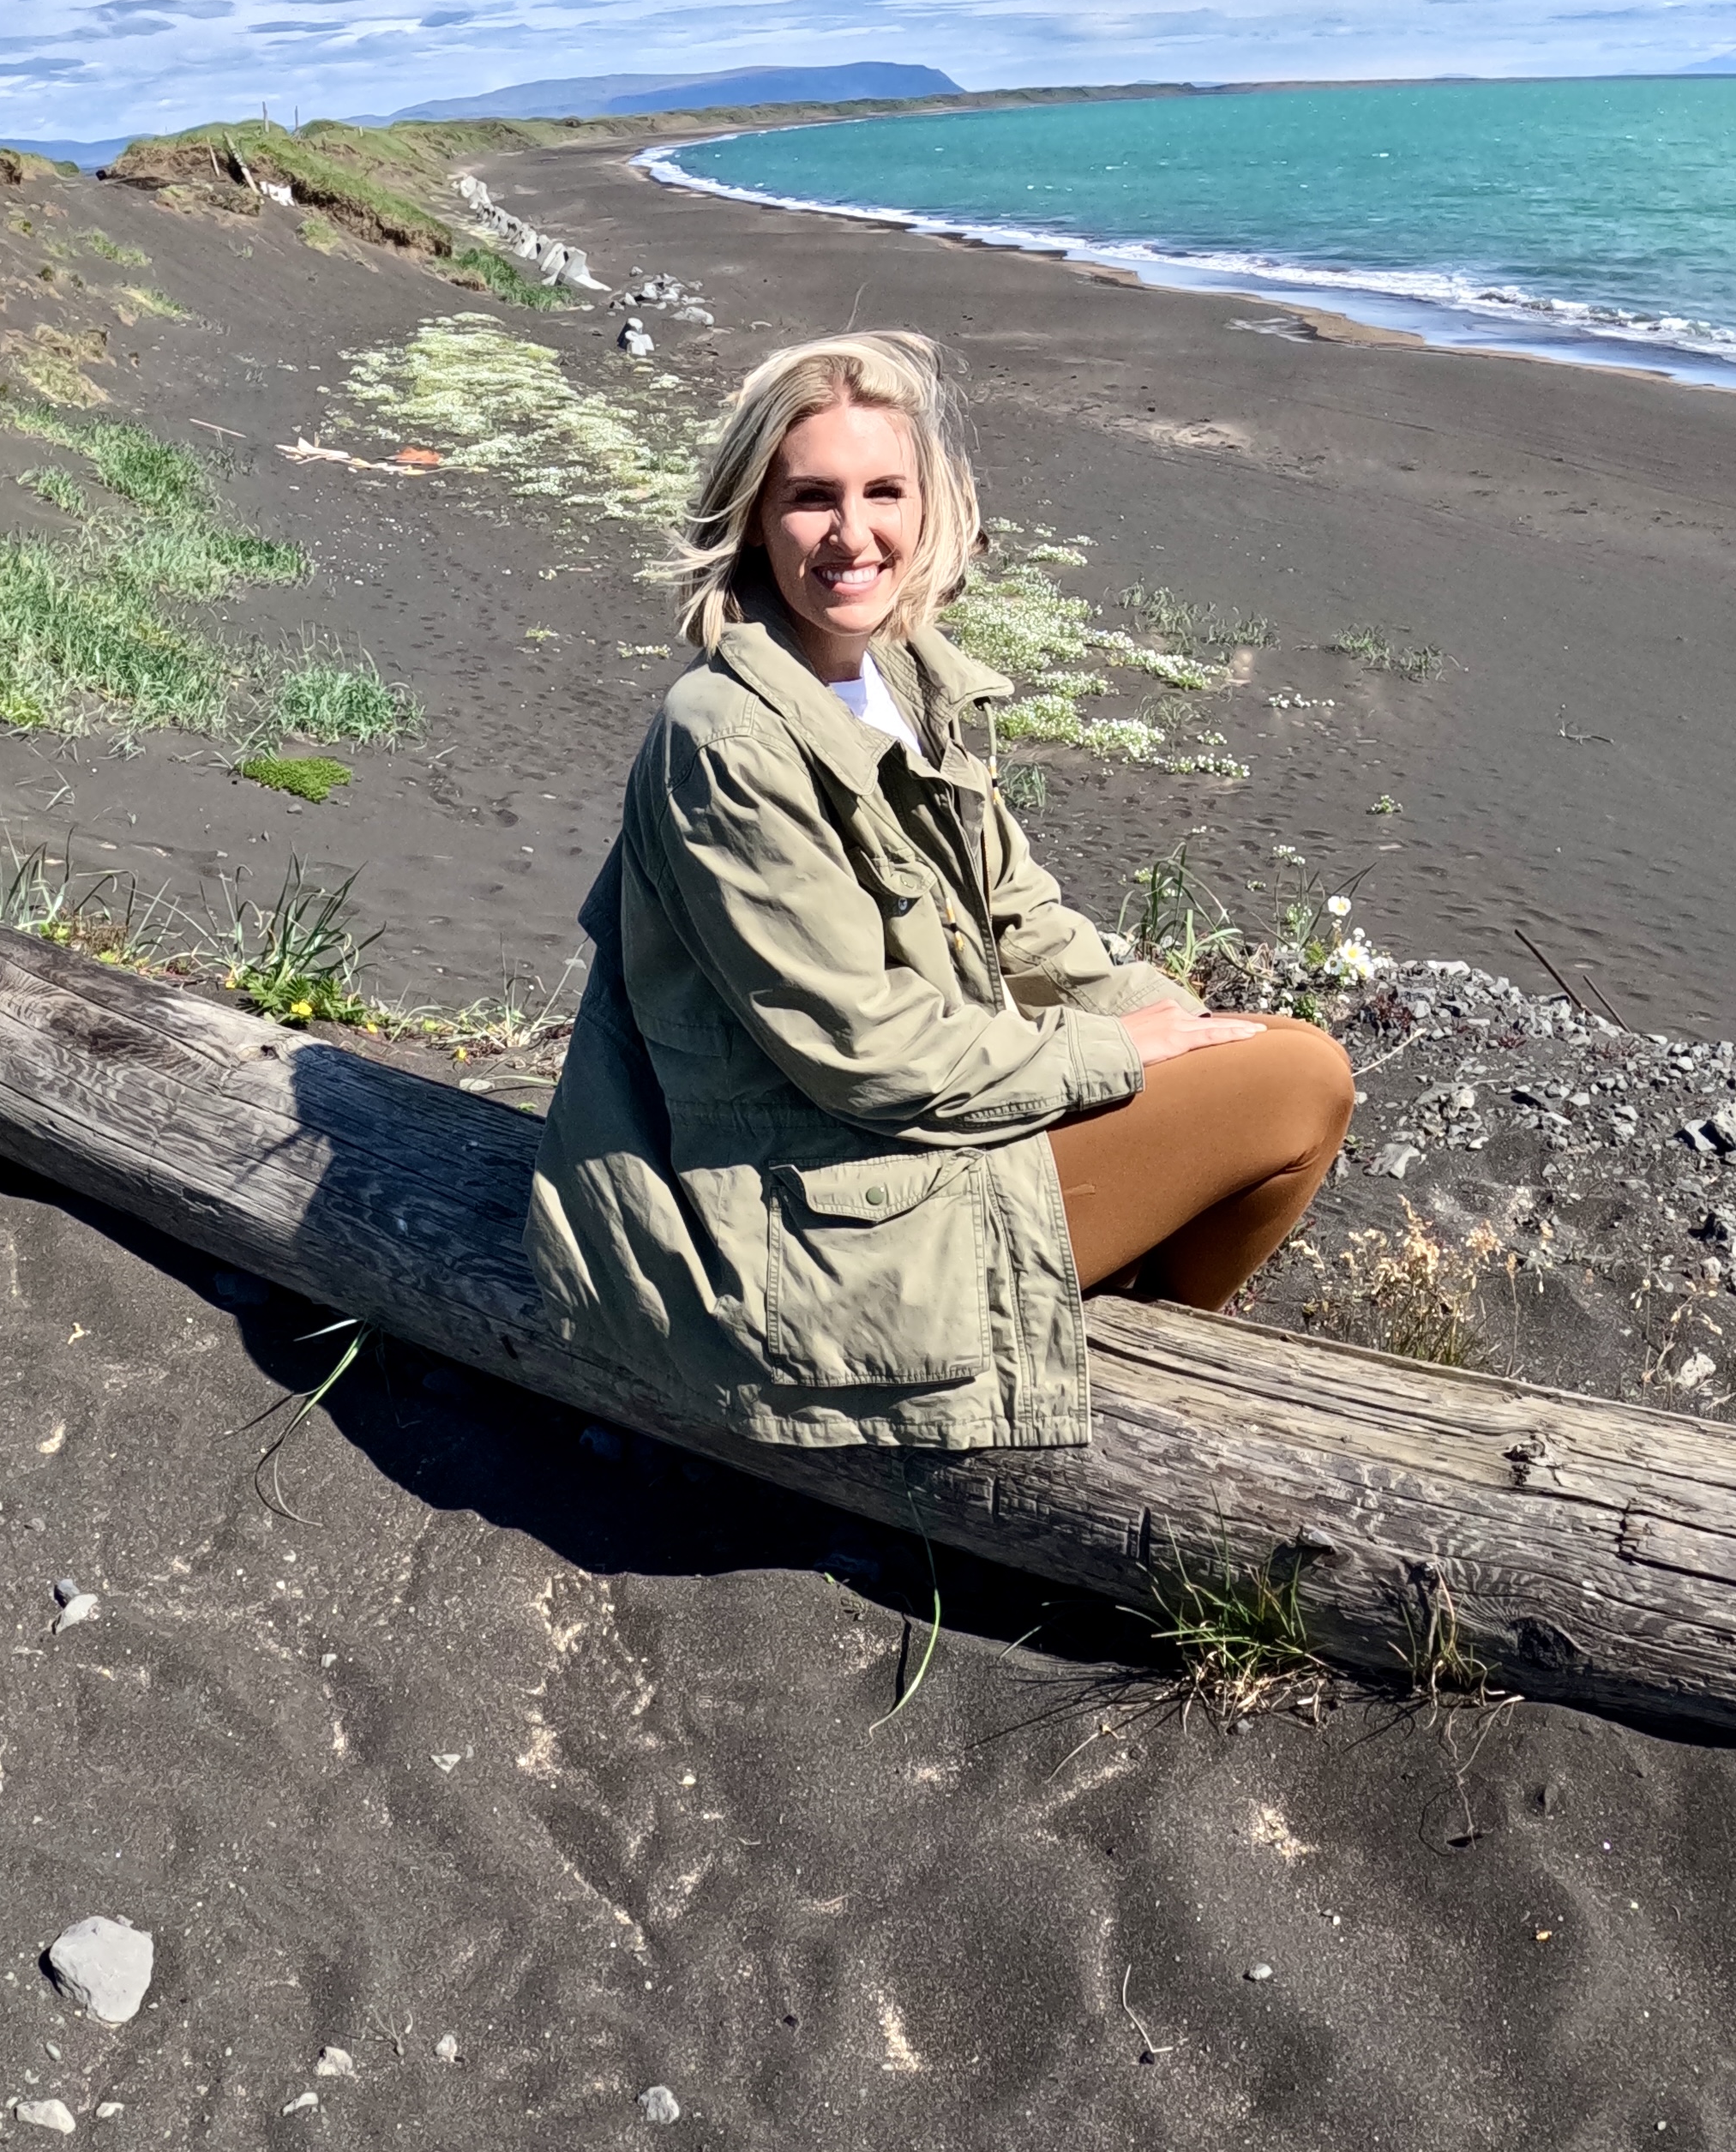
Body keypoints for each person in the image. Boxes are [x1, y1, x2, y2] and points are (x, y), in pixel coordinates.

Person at [527, 330, 1352, 1449]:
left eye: (883, 492)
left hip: (881, 1149)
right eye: (811, 497)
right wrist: (1110, 1055)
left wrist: (1163, 1018)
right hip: (793, 1218)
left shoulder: (901, 677)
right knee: (1302, 1081)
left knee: (1253, 1053)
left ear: (931, 506)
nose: (852, 534)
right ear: (752, 517)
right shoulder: (722, 739)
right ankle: (1113, 1394)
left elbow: (1018, 914)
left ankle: (1102, 1337)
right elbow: (861, 1048)